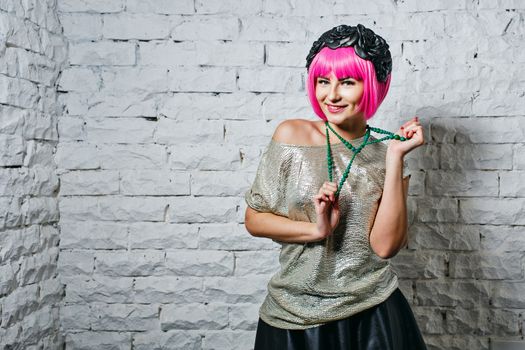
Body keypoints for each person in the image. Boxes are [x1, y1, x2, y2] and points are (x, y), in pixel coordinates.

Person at [244, 24, 427, 350]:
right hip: (291, 314)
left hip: (372, 312)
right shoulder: (291, 136)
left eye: (347, 82)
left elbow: (385, 247)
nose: (331, 95)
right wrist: (317, 230)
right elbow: (255, 219)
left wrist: (396, 158)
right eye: (322, 81)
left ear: (374, 85)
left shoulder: (387, 153)